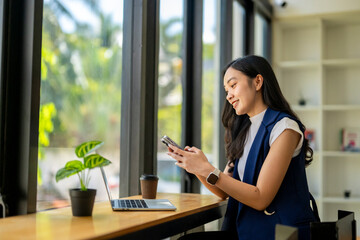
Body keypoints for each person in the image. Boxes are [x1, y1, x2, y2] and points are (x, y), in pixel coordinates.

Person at [167, 55, 319, 240]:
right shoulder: (243, 130)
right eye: (226, 90)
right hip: (245, 231)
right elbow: (223, 190)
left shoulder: (285, 128)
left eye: (233, 85)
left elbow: (261, 198)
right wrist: (197, 167)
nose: (228, 95)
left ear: (257, 82)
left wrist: (206, 168)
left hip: (280, 233)